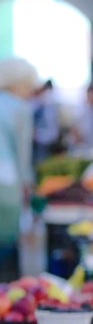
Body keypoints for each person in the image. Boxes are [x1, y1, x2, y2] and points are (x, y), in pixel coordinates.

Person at [0, 57, 37, 280]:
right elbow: (23, 157)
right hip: (7, 184)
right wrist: (27, 189)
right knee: (6, 246)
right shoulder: (20, 108)